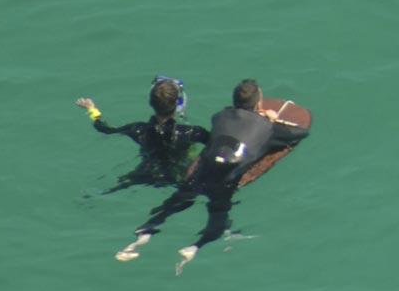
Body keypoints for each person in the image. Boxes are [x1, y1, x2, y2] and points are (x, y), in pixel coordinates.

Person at [116, 78, 307, 276]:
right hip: (224, 181)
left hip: (201, 172)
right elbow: (299, 133)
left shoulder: (220, 117)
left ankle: (143, 236)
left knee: (173, 204)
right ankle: (194, 247)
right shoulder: (266, 127)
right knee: (216, 220)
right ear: (258, 103)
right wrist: (271, 119)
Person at [75, 78, 208, 192]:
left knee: (115, 187)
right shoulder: (192, 132)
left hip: (145, 173)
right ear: (177, 104)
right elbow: (217, 142)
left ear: (151, 103)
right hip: (178, 177)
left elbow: (104, 129)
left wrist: (92, 109)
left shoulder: (138, 129)